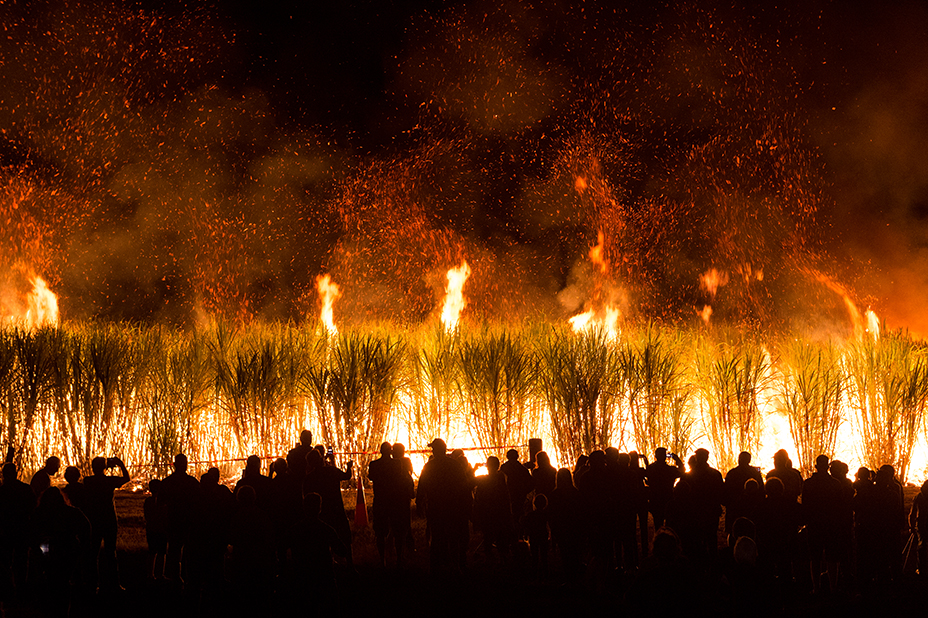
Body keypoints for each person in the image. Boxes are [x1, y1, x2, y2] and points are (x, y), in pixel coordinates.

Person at [416, 438, 469, 574]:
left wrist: (419, 502)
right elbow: (463, 486)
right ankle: (455, 565)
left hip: (435, 507)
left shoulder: (430, 466)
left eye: (433, 449)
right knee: (453, 536)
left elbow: (422, 485)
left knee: (437, 537)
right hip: (452, 506)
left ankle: (437, 566)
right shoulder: (455, 465)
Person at [83, 455, 129, 592]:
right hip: (109, 518)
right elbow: (126, 479)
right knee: (111, 553)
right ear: (104, 467)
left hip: (95, 519)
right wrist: (120, 465)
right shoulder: (109, 481)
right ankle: (114, 583)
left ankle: (92, 583)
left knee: (93, 553)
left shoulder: (88, 481)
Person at [303, 449, 354, 568]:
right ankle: (350, 565)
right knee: (344, 536)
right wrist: (349, 467)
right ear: (321, 459)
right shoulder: (331, 471)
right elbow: (346, 476)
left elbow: (306, 496)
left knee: (322, 538)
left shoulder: (310, 478)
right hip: (336, 508)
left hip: (321, 511)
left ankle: (326, 563)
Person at [159, 453, 200, 585]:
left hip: (174, 520)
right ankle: (189, 577)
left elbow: (160, 503)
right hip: (188, 521)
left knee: (174, 551)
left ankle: (175, 577)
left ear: (174, 465)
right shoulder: (192, 482)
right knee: (190, 551)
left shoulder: (167, 482)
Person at [802, 454, 841, 593]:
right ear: (828, 466)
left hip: (814, 525)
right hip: (831, 525)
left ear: (816, 466)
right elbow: (838, 506)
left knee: (815, 557)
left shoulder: (808, 484)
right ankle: (833, 587)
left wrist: (805, 521)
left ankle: (816, 587)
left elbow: (805, 505)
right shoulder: (835, 484)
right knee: (832, 557)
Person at [723, 451, 763, 532]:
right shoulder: (755, 473)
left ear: (739, 459)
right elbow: (761, 490)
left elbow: (726, 491)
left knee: (734, 532)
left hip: (735, 509)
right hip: (752, 508)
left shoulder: (732, 473)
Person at [646, 447, 684, 532]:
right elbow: (682, 471)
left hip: (655, 499)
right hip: (667, 498)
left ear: (655, 456)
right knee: (669, 525)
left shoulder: (651, 468)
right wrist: (678, 460)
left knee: (657, 524)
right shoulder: (670, 470)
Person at [909, 479, 928, 577]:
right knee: (922, 547)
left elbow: (912, 513)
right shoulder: (919, 497)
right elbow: (912, 513)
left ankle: (922, 568)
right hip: (922, 525)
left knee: (922, 547)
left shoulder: (919, 497)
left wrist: (912, 526)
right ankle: (922, 568)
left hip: (921, 524)